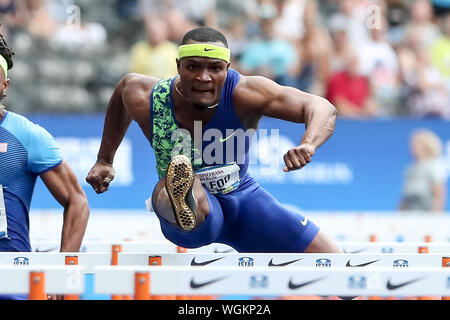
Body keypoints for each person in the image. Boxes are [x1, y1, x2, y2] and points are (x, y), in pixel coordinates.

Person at [86, 26, 342, 255]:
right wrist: (104, 158)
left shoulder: (246, 93)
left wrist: (308, 143)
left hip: (244, 202)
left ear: (227, 69)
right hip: (195, 220)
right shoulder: (148, 96)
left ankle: (183, 193)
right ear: (178, 66)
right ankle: (183, 199)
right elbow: (122, 91)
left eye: (214, 68)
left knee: (339, 268)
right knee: (175, 188)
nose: (204, 77)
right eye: (193, 66)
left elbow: (322, 108)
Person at [0, 35, 90, 299]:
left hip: (9, 281)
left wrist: (63, 268)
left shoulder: (26, 135)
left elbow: (77, 200)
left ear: (5, 84)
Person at [399, 129, 447, 212]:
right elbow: (405, 197)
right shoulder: (410, 169)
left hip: (426, 212)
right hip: (410, 212)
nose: (412, 147)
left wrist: (435, 215)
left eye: (416, 144)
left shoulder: (434, 165)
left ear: (426, 146)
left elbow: (439, 193)